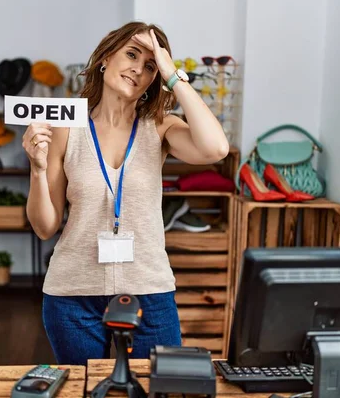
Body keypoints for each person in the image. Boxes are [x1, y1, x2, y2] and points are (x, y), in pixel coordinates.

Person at [22, 21, 229, 365]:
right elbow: (45, 226)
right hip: (73, 295)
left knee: (160, 387)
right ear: (105, 57)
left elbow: (216, 148)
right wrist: (37, 169)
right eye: (131, 54)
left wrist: (173, 76)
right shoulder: (66, 126)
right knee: (85, 390)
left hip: (150, 289)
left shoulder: (161, 125)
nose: (138, 68)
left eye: (150, 66)